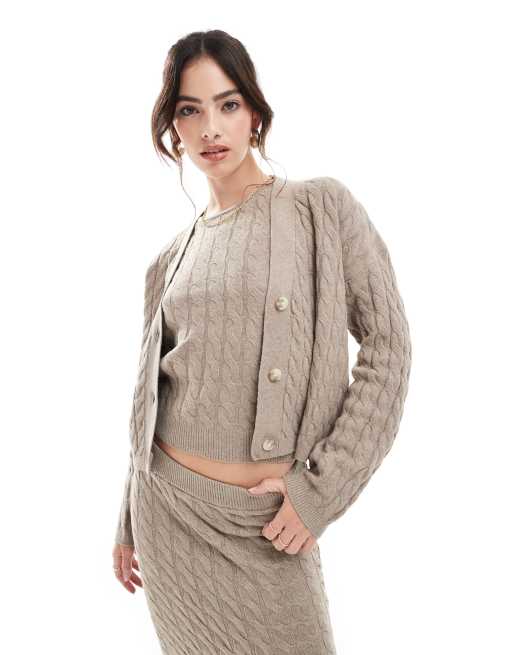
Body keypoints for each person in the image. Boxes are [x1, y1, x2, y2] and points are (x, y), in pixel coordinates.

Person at [111, 29, 412, 655]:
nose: (210, 128)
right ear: (173, 128)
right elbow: (151, 400)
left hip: (267, 527)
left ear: (254, 111)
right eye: (189, 110)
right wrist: (127, 514)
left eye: (227, 104)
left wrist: (319, 492)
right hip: (167, 516)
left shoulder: (319, 209)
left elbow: (389, 347)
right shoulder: (169, 259)